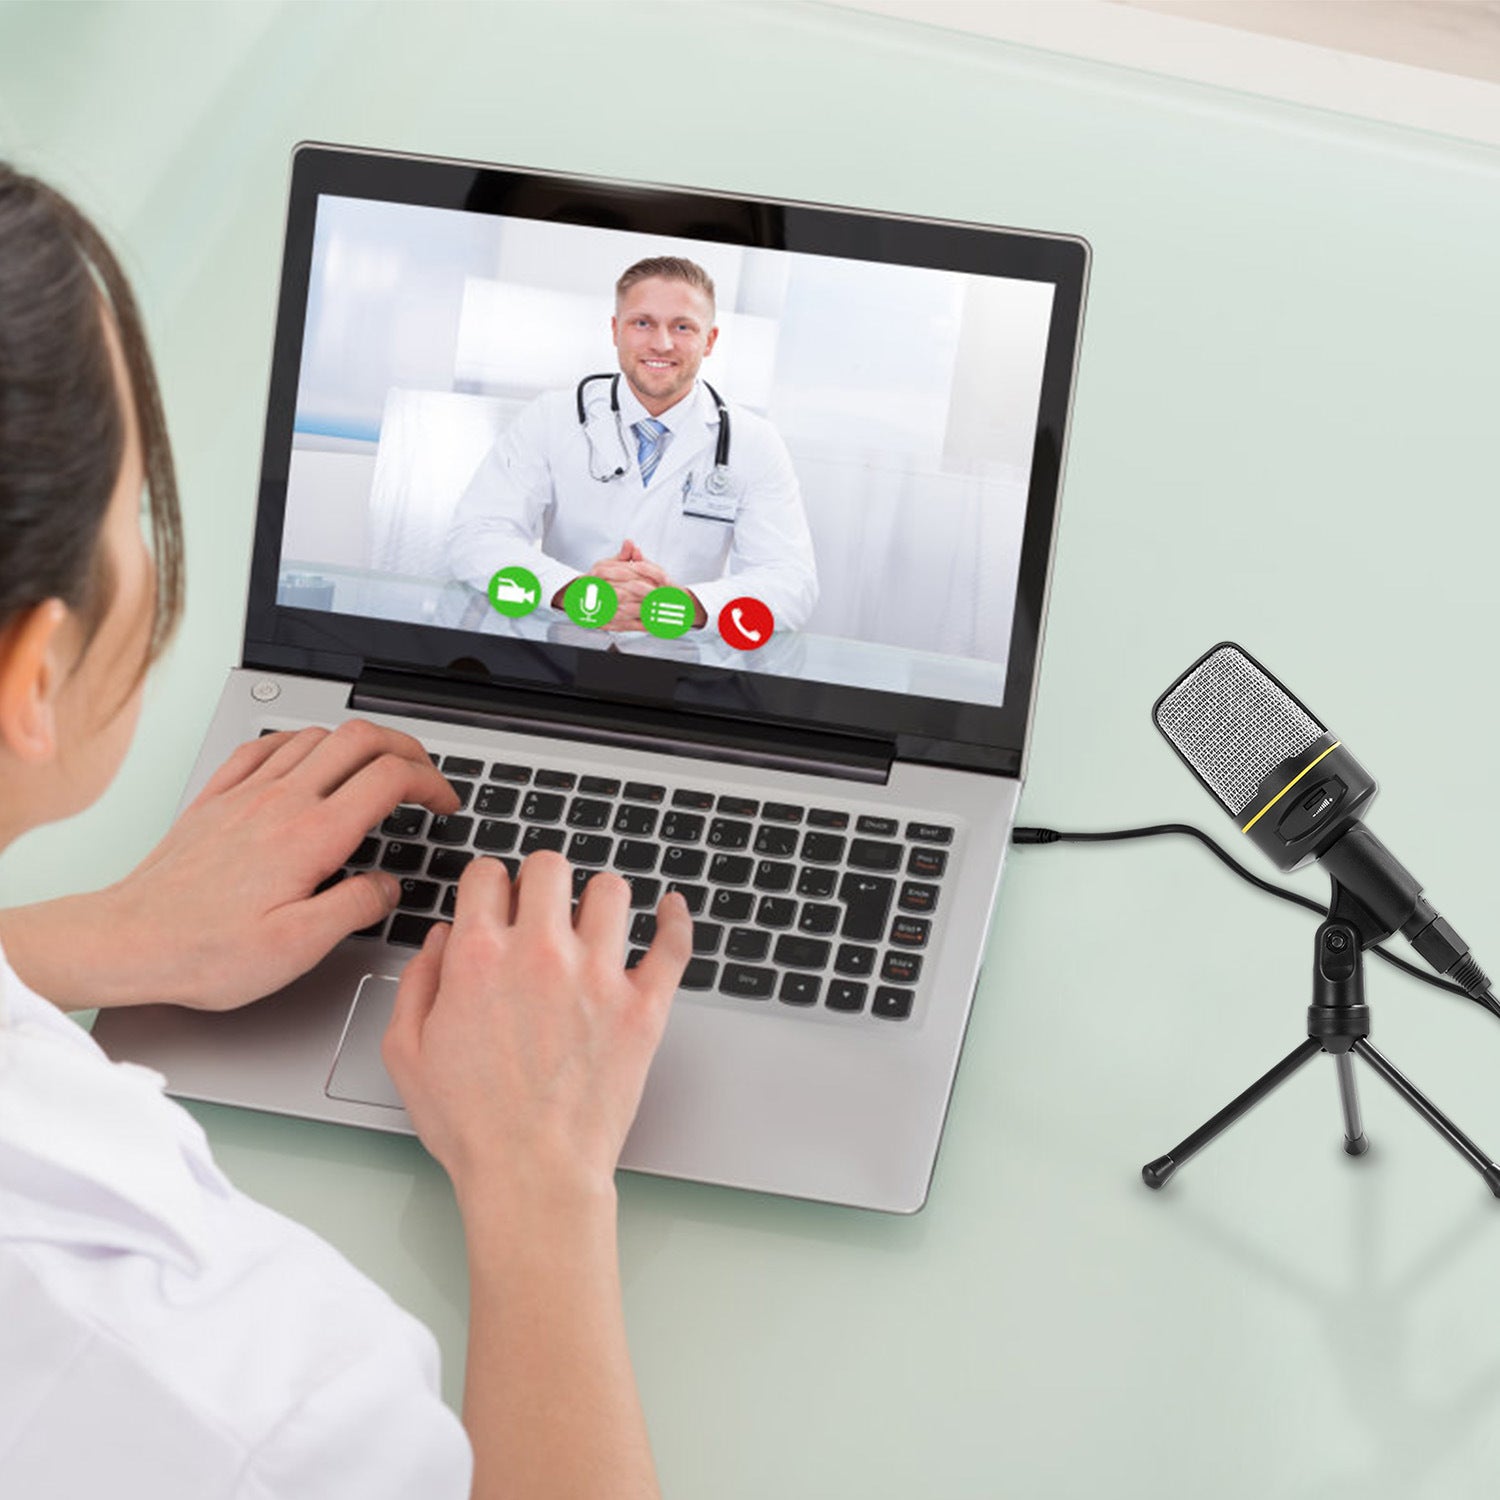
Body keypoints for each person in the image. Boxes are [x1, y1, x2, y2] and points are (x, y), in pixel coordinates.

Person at [0, 164, 692, 1500]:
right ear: (36, 674)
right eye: (137, 509)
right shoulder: (222, 1395)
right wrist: (541, 1183)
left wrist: (78, 945)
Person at [447, 255, 819, 634]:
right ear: (615, 330)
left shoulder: (754, 442)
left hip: (683, 662)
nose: (662, 343)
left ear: (710, 340)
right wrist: (579, 593)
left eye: (683, 327)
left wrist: (678, 607)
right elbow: (476, 537)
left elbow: (791, 583)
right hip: (561, 645)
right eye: (643, 323)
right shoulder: (550, 417)